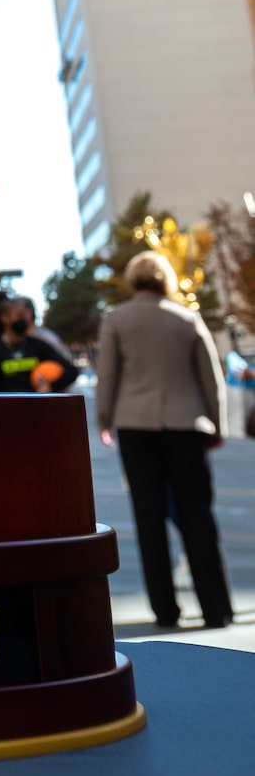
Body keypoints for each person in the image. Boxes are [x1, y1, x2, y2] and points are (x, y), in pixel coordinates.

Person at [95, 250, 233, 630]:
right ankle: (216, 608)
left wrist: (104, 419)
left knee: (148, 516)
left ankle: (165, 610)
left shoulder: (116, 319)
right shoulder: (187, 318)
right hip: (186, 425)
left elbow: (107, 375)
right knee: (197, 514)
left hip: (135, 425)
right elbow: (211, 378)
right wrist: (216, 425)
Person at [0, 296, 79, 393]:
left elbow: (71, 371)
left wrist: (51, 385)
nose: (24, 320)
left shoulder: (38, 345)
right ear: (4, 318)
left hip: (36, 406)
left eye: (25, 315)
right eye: (19, 316)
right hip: (7, 407)